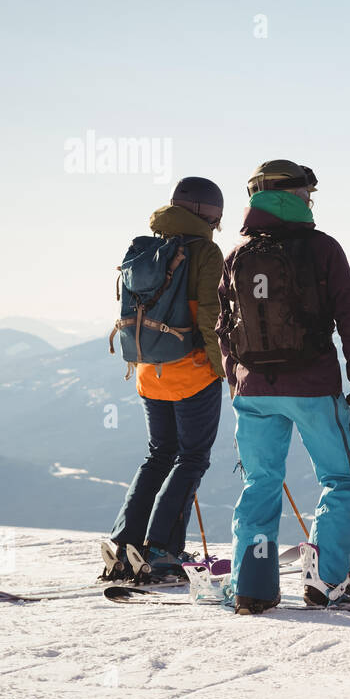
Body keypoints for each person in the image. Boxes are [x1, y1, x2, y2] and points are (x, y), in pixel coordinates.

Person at [215, 160, 350, 614]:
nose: (311, 200)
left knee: (260, 484)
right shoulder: (322, 249)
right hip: (312, 386)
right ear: (294, 196)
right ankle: (326, 581)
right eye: (308, 193)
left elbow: (223, 328)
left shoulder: (236, 254)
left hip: (252, 391)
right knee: (345, 478)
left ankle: (252, 587)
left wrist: (237, 383)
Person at [105, 177, 225, 579]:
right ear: (208, 215)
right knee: (191, 459)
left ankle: (124, 544)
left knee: (158, 455)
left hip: (147, 372)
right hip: (191, 373)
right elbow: (210, 316)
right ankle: (161, 552)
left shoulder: (145, 248)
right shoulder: (204, 253)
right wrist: (225, 369)